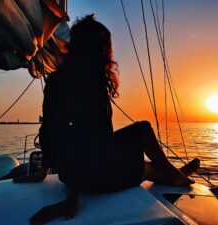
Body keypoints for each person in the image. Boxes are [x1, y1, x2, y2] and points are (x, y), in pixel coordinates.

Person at [13, 15, 200, 224]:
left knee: (141, 141)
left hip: (75, 171)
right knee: (144, 160)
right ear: (98, 48)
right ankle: (172, 174)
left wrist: (43, 170)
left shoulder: (56, 79)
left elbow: (49, 130)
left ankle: (173, 173)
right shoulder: (92, 84)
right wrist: (73, 197)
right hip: (91, 175)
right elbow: (85, 136)